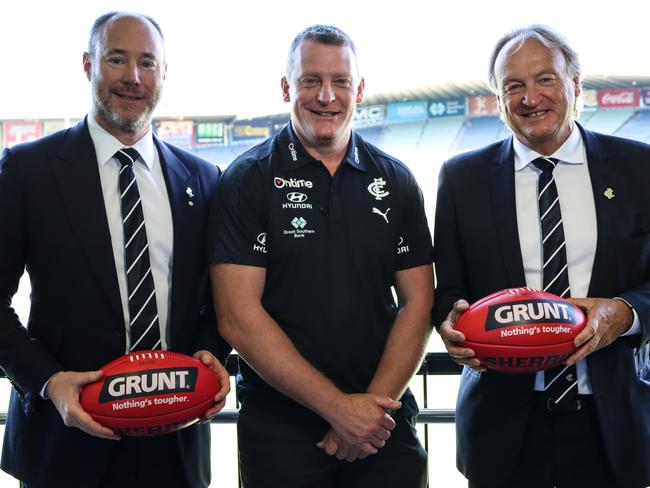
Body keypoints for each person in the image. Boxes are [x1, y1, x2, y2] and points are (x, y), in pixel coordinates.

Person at [0, 11, 231, 488]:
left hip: (175, 444)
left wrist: (212, 353)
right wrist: (49, 383)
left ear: (164, 74)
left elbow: (220, 301)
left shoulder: (204, 181)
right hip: (65, 442)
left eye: (148, 62)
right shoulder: (27, 171)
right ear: (89, 65)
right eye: (117, 59)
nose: (133, 77)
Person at [208, 24, 434, 488]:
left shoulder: (397, 181)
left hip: (383, 420)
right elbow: (237, 316)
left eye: (341, 82)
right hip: (280, 430)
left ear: (361, 89)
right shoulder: (247, 179)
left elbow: (419, 302)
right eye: (311, 81)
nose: (327, 96)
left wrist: (369, 412)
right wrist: (337, 409)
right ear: (287, 87)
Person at [434, 24, 650, 488]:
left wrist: (625, 312)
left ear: (574, 85)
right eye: (513, 85)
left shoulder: (640, 168)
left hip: (612, 423)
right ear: (497, 98)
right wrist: (450, 323)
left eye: (545, 79)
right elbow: (449, 291)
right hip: (502, 426)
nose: (529, 98)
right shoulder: (461, 179)